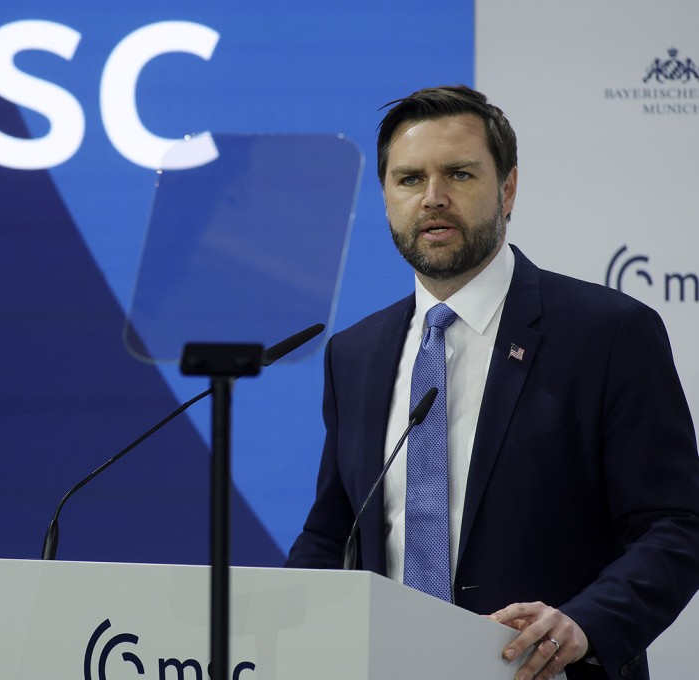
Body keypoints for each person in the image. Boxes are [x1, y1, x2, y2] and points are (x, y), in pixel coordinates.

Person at [285, 85, 699, 680]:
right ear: (385, 197)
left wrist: (585, 623)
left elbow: (675, 526)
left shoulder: (608, 334)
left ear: (507, 189)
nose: (433, 197)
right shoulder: (354, 354)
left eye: (459, 174)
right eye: (409, 179)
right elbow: (332, 534)